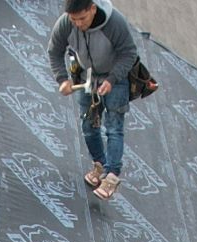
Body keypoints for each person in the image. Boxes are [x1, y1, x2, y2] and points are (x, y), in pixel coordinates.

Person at [50, 0, 141, 200]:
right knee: (88, 124)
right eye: (74, 20)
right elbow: (55, 51)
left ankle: (112, 176)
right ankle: (100, 164)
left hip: (115, 78)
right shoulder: (66, 23)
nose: (78, 24)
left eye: (82, 18)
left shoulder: (114, 22)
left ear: (92, 9)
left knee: (114, 127)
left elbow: (128, 53)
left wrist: (112, 79)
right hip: (87, 78)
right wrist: (62, 78)